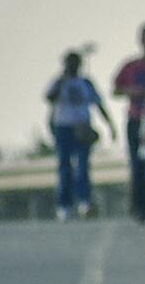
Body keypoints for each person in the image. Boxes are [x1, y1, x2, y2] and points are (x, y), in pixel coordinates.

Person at [44, 51, 117, 220]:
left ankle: (84, 201)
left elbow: (98, 104)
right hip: (63, 127)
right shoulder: (59, 82)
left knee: (83, 166)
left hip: (82, 128)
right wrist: (61, 81)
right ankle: (64, 205)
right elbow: (49, 98)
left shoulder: (86, 83)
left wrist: (110, 126)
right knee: (64, 167)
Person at [111, 23, 145, 223]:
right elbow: (115, 89)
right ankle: (139, 207)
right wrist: (132, 91)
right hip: (135, 118)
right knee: (136, 164)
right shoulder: (130, 66)